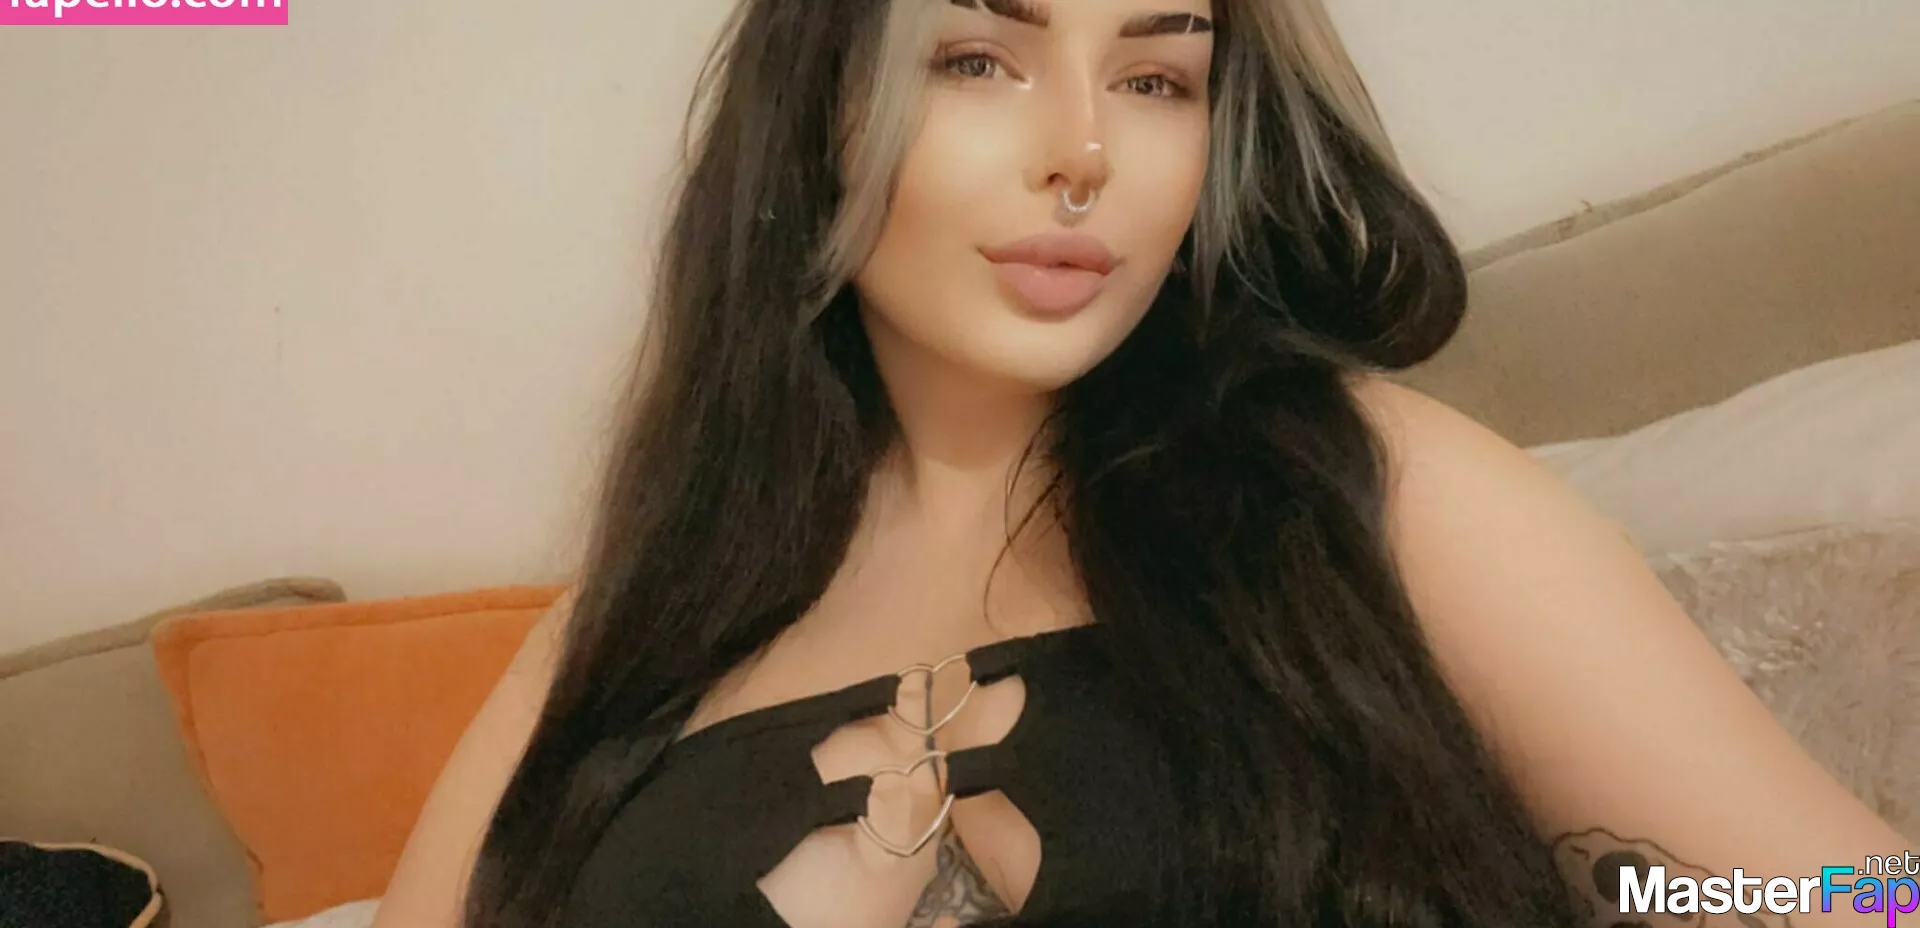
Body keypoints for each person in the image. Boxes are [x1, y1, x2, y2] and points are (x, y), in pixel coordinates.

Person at [373, 1, 1907, 926]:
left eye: (1159, 77)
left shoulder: (1366, 491)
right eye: (978, 57)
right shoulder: (629, 623)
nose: (1085, 148)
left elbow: (1848, 898)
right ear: (816, 114)